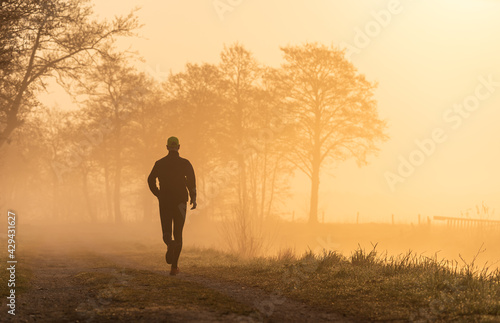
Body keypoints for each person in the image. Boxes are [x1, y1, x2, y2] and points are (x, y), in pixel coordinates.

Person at [147, 136, 197, 276]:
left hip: (165, 201)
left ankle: (170, 243)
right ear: (179, 147)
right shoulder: (185, 163)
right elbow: (191, 181)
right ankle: (174, 267)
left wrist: (157, 193)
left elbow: (150, 180)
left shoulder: (159, 163)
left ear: (167, 147)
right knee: (179, 233)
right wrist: (193, 197)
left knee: (166, 231)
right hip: (181, 201)